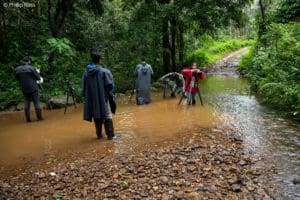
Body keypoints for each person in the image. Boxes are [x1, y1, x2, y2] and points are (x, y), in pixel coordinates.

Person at [82, 52, 117, 140]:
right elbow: (111, 86)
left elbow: (83, 87)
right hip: (103, 98)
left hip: (92, 99)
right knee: (107, 115)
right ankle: (111, 136)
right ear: (100, 60)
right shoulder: (105, 71)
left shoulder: (86, 73)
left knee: (96, 114)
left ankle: (99, 135)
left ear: (92, 60)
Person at [15, 56, 43, 122]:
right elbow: (38, 78)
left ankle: (28, 119)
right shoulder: (32, 68)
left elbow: (17, 78)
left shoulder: (17, 69)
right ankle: (39, 118)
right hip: (33, 88)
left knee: (26, 103)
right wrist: (38, 72)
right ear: (29, 61)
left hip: (24, 88)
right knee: (36, 103)